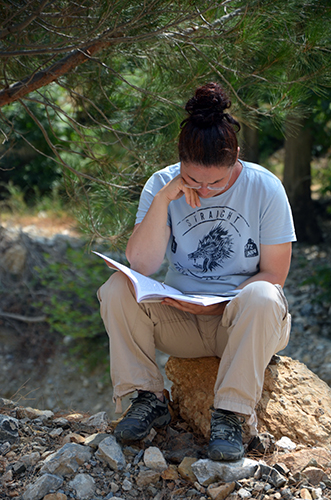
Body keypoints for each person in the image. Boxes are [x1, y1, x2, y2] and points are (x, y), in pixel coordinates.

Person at [97, 82, 296, 461]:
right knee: (116, 287)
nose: (204, 190)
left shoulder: (265, 187)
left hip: (241, 322)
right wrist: (164, 199)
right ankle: (148, 399)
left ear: (236, 156)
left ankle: (231, 415)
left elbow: (275, 274)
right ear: (180, 164)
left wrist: (219, 304)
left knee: (264, 295)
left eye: (216, 182)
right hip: (181, 322)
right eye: (194, 181)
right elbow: (141, 264)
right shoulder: (162, 184)